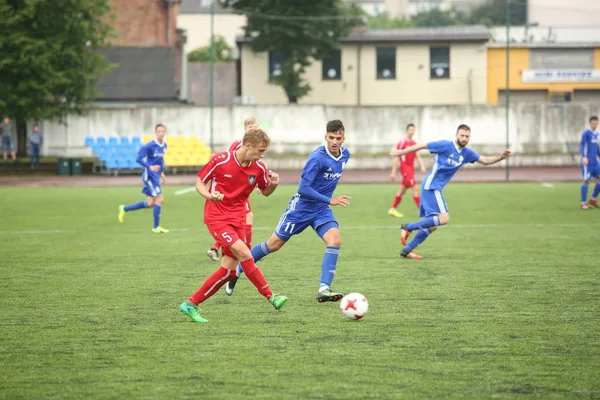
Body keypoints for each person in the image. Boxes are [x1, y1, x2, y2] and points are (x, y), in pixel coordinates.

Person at [225, 119, 351, 303]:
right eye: (330, 137)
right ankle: (238, 270)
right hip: (300, 209)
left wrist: (326, 202)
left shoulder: (345, 155)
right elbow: (303, 188)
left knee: (335, 240)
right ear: (325, 137)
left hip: (321, 210)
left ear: (343, 139)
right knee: (273, 245)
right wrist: (330, 199)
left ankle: (324, 288)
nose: (334, 141)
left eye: (337, 138)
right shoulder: (316, 157)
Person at [179, 128, 287, 322]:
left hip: (238, 218)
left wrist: (274, 184)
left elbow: (266, 191)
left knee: (228, 271)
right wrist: (209, 195)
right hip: (217, 217)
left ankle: (191, 304)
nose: (262, 155)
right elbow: (200, 183)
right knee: (245, 253)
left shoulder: (259, 168)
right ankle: (271, 295)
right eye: (260, 151)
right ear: (248, 146)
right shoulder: (220, 160)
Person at [391, 124, 511, 259]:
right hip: (431, 186)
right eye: (462, 135)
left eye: (467, 136)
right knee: (444, 218)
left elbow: (484, 160)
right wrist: (402, 152)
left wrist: (501, 157)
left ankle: (407, 249)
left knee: (433, 224)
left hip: (434, 187)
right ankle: (408, 227)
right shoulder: (445, 145)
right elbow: (422, 146)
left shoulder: (466, 153)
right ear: (456, 135)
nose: (464, 138)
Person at [206, 116, 259, 262]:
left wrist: (258, 184)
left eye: (256, 128)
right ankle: (246, 251)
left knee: (243, 219)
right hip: (233, 191)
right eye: (251, 128)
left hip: (241, 190)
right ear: (246, 129)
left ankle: (218, 248)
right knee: (245, 217)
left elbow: (254, 169)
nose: (254, 130)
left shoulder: (256, 148)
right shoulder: (238, 144)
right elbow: (230, 163)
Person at [118, 124, 169, 233]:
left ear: (165, 133)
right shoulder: (149, 145)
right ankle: (156, 227)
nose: (161, 133)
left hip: (156, 175)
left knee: (151, 203)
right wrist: (150, 167)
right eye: (159, 131)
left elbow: (160, 160)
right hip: (149, 175)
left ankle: (124, 209)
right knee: (160, 199)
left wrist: (162, 172)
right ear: (156, 132)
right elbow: (138, 159)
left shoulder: (164, 145)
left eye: (163, 131)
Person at [388, 123, 427, 218]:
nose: (412, 132)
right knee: (415, 187)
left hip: (411, 169)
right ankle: (423, 212)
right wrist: (393, 171)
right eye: (410, 130)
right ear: (407, 130)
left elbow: (418, 156)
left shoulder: (414, 143)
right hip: (405, 168)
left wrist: (422, 166)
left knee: (403, 190)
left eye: (413, 130)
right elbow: (397, 157)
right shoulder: (402, 143)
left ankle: (392, 209)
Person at [579, 116, 600, 210]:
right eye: (593, 123)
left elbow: (596, 148)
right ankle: (583, 203)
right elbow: (582, 144)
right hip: (587, 162)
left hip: (595, 162)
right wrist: (583, 156)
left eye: (596, 123)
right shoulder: (586, 133)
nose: (594, 125)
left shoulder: (597, 134)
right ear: (590, 123)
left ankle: (593, 199)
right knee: (586, 180)